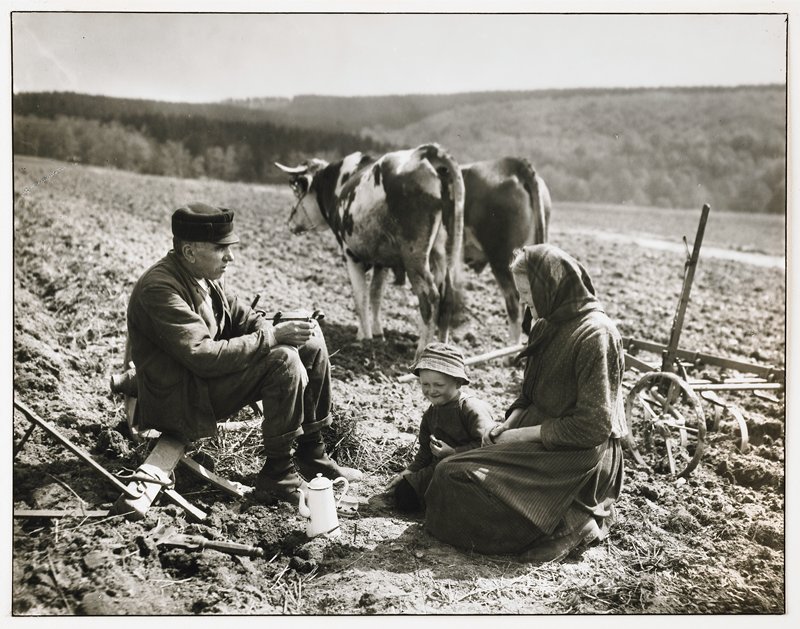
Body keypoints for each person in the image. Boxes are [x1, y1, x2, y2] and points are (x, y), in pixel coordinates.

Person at [125, 202, 361, 504]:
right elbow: (204, 356)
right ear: (189, 252)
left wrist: (284, 333)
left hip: (202, 383)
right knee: (283, 361)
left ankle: (312, 454)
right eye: (221, 248)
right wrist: (274, 337)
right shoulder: (160, 288)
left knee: (309, 344)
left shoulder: (205, 277)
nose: (230, 257)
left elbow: (245, 318)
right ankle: (278, 474)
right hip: (182, 400)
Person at [424, 244, 626, 561]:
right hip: (538, 434)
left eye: (527, 292)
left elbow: (593, 427)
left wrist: (517, 436)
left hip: (581, 456)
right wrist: (508, 424)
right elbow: (528, 393)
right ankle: (552, 521)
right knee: (449, 474)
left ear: (551, 287)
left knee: (457, 480)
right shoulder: (545, 323)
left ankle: (573, 523)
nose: (522, 302)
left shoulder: (595, 335)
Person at [385, 342, 496, 512]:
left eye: (439, 385)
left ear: (458, 383)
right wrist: (406, 473)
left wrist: (453, 453)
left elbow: (490, 448)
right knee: (403, 494)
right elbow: (424, 453)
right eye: (425, 385)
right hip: (441, 470)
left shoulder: (471, 408)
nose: (431, 391)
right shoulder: (431, 414)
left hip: (474, 469)